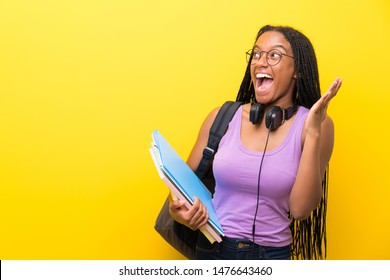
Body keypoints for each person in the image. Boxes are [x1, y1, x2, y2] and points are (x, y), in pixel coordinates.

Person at [168, 24, 342, 260]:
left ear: (297, 70)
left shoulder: (317, 125)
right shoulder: (222, 117)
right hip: (212, 250)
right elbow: (180, 189)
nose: (260, 62)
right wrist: (179, 212)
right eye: (257, 54)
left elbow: (301, 210)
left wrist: (312, 133)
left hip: (271, 256)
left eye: (274, 55)